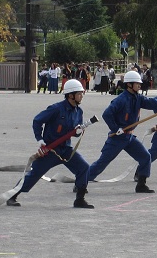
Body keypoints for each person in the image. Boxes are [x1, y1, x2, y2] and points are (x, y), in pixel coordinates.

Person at [6, 79, 95, 209]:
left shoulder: (78, 111)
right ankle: (12, 196)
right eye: (80, 93)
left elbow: (74, 131)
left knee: (84, 167)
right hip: (51, 150)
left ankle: (80, 199)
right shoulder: (56, 109)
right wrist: (39, 139)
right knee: (35, 174)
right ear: (71, 95)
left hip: (66, 149)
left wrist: (78, 131)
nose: (82, 96)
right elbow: (37, 120)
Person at [87, 70, 157, 193]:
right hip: (117, 137)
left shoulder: (138, 97)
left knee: (145, 157)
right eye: (137, 83)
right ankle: (81, 183)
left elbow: (152, 102)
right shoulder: (121, 100)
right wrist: (116, 129)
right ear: (129, 85)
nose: (139, 85)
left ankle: (141, 185)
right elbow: (106, 114)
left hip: (129, 137)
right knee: (102, 163)